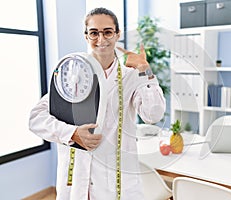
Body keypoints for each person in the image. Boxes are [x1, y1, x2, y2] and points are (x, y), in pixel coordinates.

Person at [29, 7, 166, 200]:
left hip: (116, 181)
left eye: (108, 32)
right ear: (86, 36)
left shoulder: (131, 76)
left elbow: (153, 115)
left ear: (117, 34)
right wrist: (73, 134)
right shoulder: (71, 74)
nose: (101, 39)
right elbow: (36, 118)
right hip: (77, 180)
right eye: (94, 33)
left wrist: (146, 71)